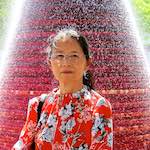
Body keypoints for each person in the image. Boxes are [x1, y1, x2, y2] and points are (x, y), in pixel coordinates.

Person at [12, 28, 113, 150]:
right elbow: (21, 145)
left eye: (74, 55)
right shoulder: (38, 105)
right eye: (59, 56)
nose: (66, 62)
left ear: (87, 62)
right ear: (50, 62)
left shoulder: (99, 106)